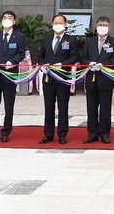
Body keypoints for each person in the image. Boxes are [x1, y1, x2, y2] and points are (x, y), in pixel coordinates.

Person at [0, 11, 27, 142]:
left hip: (9, 74)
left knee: (9, 104)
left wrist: (12, 62)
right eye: (5, 17)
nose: (7, 19)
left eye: (10, 18)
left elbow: (21, 53)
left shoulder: (19, 36)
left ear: (14, 21)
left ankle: (6, 132)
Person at [38, 14, 79, 145]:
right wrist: (42, 65)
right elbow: (40, 56)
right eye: (56, 22)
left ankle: (62, 134)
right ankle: (48, 134)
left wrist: (62, 64)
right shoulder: (47, 39)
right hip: (48, 78)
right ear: (52, 24)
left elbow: (74, 57)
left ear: (65, 24)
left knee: (63, 106)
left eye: (61, 22)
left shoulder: (71, 39)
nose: (58, 24)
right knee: (48, 106)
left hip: (63, 77)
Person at [83, 15, 114, 144]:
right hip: (91, 79)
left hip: (105, 79)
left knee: (105, 109)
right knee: (91, 108)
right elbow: (82, 57)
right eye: (100, 25)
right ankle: (92, 134)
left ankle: (105, 133)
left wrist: (103, 66)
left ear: (109, 27)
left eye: (105, 25)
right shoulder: (89, 41)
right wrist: (89, 63)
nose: (102, 28)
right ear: (96, 27)